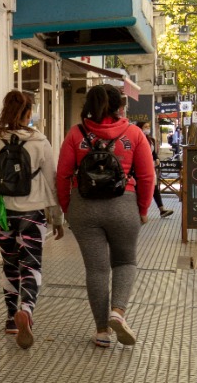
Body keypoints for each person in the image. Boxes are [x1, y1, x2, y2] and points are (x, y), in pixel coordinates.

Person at [55, 85, 156, 348]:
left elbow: (63, 174)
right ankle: (118, 313)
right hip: (124, 205)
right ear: (118, 107)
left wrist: (68, 208)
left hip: (84, 206)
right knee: (124, 262)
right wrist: (143, 209)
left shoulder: (76, 134)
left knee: (96, 269)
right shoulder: (134, 133)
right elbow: (146, 176)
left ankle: (101, 331)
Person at [0, 90, 65, 349]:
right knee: (30, 266)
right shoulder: (40, 141)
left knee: (10, 264)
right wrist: (57, 219)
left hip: (1, 214)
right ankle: (27, 310)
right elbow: (52, 184)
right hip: (32, 214)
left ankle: (11, 318)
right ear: (29, 113)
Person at [139, 121, 174, 218]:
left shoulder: (151, 140)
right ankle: (145, 210)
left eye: (148, 127)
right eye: (145, 127)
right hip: (140, 168)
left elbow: (153, 153)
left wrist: (156, 158)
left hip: (151, 167)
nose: (147, 129)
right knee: (147, 188)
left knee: (154, 187)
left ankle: (161, 209)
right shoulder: (138, 139)